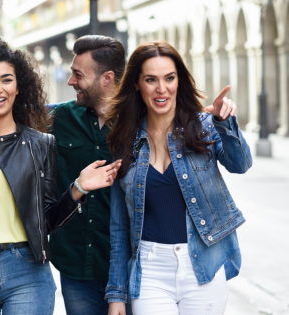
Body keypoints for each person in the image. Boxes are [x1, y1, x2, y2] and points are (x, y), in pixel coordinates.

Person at [0, 35, 121, 315]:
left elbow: (49, 221)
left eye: (7, 79)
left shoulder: (42, 144)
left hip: (28, 272)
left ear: (19, 88)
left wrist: (78, 188)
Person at [105, 41, 252, 315]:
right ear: (137, 84)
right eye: (151, 80)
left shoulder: (204, 127)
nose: (162, 89)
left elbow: (241, 164)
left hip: (202, 265)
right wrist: (116, 293)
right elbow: (119, 226)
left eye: (169, 78)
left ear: (178, 81)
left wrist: (224, 123)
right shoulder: (124, 143)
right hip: (149, 269)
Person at [48, 35, 132, 315]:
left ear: (107, 78)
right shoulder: (58, 119)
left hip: (128, 269)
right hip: (75, 267)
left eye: (78, 74)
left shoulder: (140, 122)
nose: (71, 81)